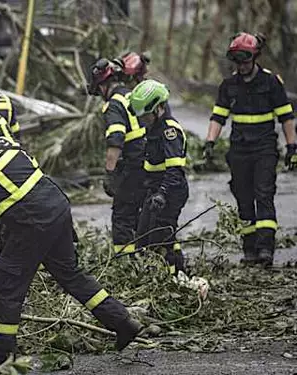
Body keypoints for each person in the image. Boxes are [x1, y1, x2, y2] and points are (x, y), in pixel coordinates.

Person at [0, 103, 142, 368]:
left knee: (5, 282)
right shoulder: (2, 143)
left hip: (33, 222)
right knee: (69, 273)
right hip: (58, 207)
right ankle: (122, 321)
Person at [203, 32, 297, 267]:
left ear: (254, 58)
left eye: (245, 61)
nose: (241, 66)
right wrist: (209, 143)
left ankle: (266, 248)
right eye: (237, 62)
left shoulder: (270, 83)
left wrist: (292, 147)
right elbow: (218, 117)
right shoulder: (228, 86)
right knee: (244, 200)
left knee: (263, 195)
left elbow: (286, 118)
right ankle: (250, 249)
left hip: (264, 148)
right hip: (239, 150)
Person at [128, 80, 189, 275]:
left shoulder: (169, 131)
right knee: (143, 237)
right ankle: (178, 268)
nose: (143, 119)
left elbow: (175, 170)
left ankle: (171, 277)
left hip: (171, 190)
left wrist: (162, 194)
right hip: (155, 189)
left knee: (160, 236)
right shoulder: (152, 128)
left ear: (159, 108)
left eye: (146, 114)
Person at [87, 58, 146, 254]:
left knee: (122, 218)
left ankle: (126, 264)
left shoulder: (113, 104)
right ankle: (146, 258)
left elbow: (116, 138)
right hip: (148, 163)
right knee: (142, 215)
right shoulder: (132, 95)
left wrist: (110, 173)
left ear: (103, 85)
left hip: (131, 166)